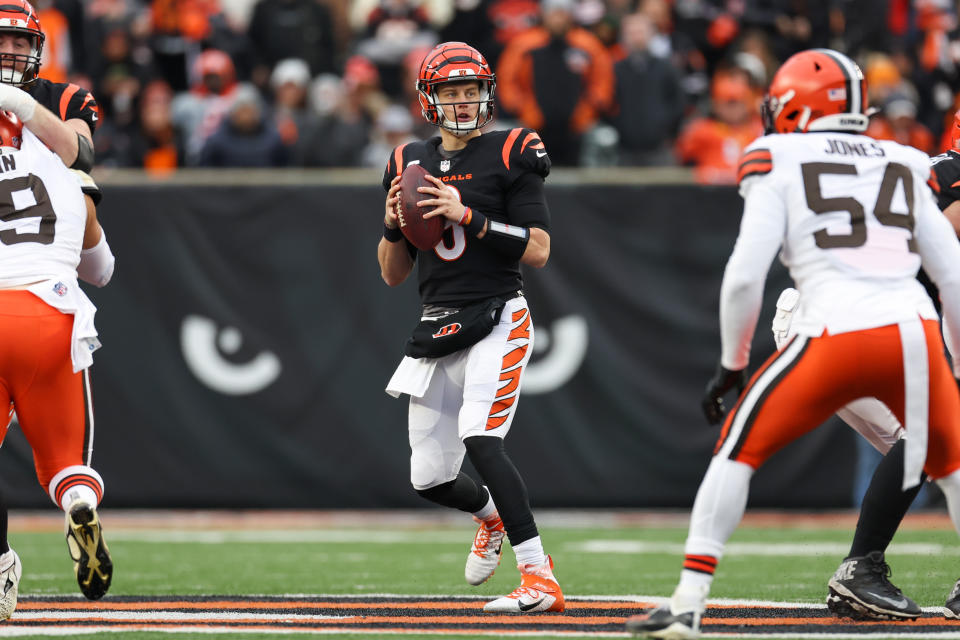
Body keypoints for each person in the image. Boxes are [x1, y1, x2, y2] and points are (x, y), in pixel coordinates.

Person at [626, 48, 960, 639]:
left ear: (793, 107)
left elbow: (745, 275)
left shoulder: (776, 154)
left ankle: (688, 600)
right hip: (911, 331)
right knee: (951, 462)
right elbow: (952, 274)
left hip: (828, 328)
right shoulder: (906, 159)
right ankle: (866, 568)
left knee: (737, 451)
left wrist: (732, 364)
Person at [379, 41, 562, 613]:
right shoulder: (407, 159)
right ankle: (490, 518)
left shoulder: (512, 149)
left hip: (498, 314)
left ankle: (540, 578)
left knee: (481, 438)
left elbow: (538, 250)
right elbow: (392, 275)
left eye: (470, 90)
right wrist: (392, 228)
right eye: (451, 92)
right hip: (438, 325)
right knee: (429, 478)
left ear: (487, 91)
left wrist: (469, 216)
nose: (463, 101)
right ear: (429, 101)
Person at [0, 109, 115, 620]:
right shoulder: (63, 170)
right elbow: (102, 270)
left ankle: (2, 564)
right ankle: (77, 507)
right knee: (67, 461)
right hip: (51, 310)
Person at [0, 0, 98, 173]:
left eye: (19, 44)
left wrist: (21, 104)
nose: (10, 52)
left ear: (34, 50)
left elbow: (82, 158)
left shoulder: (66, 97)